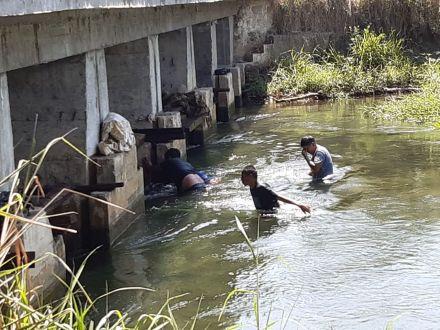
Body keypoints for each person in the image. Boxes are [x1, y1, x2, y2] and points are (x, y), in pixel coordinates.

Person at [241, 165, 310, 214]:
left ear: (251, 177)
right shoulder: (252, 186)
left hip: (273, 212)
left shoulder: (261, 188)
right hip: (264, 212)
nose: (242, 179)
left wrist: (299, 205)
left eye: (243, 177)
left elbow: (278, 196)